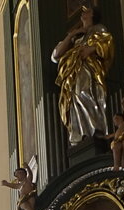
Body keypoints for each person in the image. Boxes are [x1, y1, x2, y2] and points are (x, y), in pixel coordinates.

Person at [51, 4, 114, 145]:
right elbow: (56, 55)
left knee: (86, 93)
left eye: (88, 11)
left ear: (93, 15)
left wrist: (91, 49)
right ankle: (80, 135)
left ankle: (95, 131)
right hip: (74, 72)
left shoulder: (98, 29)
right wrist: (72, 34)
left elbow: (107, 42)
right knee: (75, 98)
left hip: (90, 69)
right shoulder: (76, 36)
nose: (83, 13)